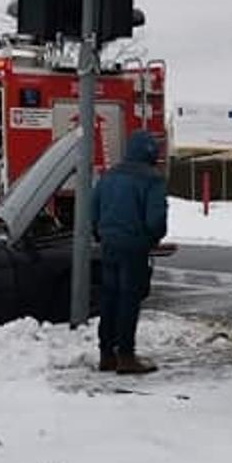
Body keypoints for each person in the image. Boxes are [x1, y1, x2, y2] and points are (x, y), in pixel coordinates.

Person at [92, 130, 170, 375]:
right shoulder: (152, 179)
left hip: (109, 245)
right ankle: (126, 355)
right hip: (135, 246)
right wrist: (152, 238)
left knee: (109, 299)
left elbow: (93, 210)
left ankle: (106, 354)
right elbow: (156, 218)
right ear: (149, 153)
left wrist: (101, 234)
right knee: (129, 299)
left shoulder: (108, 176)